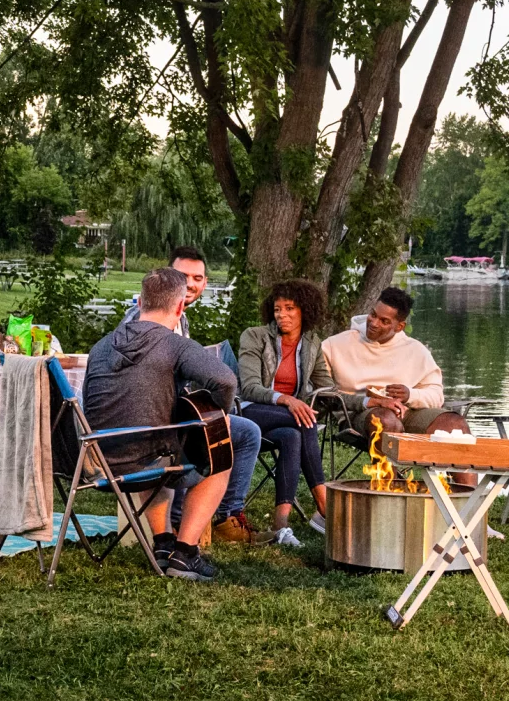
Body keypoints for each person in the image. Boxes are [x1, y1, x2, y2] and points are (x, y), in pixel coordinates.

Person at [80, 265, 239, 580]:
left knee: (153, 435)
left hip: (97, 463)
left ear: (140, 302)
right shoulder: (175, 345)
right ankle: (186, 554)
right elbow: (226, 380)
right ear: (180, 308)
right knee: (220, 444)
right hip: (145, 461)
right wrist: (215, 415)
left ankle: (163, 543)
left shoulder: (100, 346)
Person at [116, 242, 263, 542]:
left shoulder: (180, 318)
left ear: (205, 283)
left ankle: (217, 517)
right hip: (148, 424)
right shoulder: (143, 317)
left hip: (162, 417)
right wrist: (215, 414)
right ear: (167, 277)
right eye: (184, 277)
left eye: (197, 278)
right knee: (236, 433)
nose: (191, 284)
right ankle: (201, 522)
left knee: (227, 429)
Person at [234, 279, 332, 547]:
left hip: (285, 419)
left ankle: (281, 525)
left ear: (305, 310)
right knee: (304, 420)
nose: (282, 315)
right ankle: (325, 506)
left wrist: (367, 401)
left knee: (292, 435)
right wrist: (287, 400)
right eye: (277, 309)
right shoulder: (254, 336)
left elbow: (328, 389)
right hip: (248, 411)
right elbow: (249, 388)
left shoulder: (311, 343)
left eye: (289, 308)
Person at [317, 286, 466, 437]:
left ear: (400, 327)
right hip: (359, 412)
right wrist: (369, 400)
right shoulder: (334, 345)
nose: (374, 323)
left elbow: (436, 395)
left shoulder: (416, 350)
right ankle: (388, 453)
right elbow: (321, 389)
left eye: (384, 321)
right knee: (386, 421)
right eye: (373, 315)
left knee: (455, 425)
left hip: (406, 411)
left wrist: (410, 395)